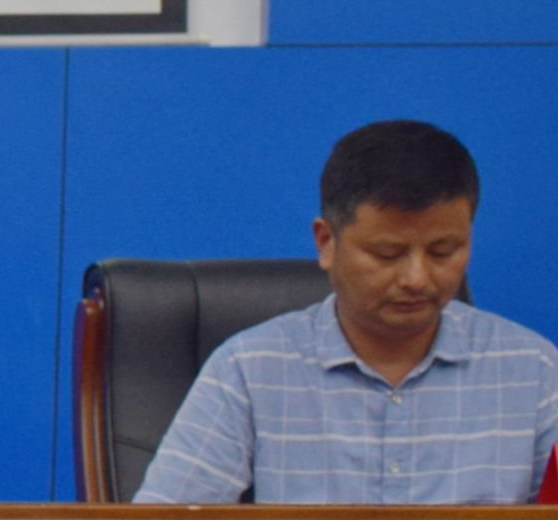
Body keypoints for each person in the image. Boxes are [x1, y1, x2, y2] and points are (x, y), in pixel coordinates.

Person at [137, 119, 558, 504]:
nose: (416, 278)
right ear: (326, 243)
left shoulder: (534, 369)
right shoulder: (248, 370)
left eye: (442, 251)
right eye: (388, 253)